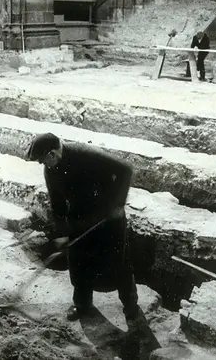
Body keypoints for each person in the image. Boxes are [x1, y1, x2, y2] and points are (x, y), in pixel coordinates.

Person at [26, 133, 141, 325]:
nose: (43, 165)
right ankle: (82, 304)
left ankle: (131, 307)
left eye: (43, 160)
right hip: (79, 218)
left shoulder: (84, 153)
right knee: (78, 262)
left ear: (52, 154)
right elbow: (57, 203)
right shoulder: (51, 170)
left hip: (108, 217)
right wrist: (63, 233)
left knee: (119, 262)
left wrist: (117, 204)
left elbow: (125, 169)